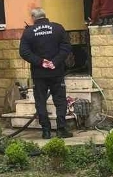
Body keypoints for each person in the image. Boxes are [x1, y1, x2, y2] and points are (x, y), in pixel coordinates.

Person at [19, 8, 73, 139]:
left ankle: (46, 131)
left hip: (39, 74)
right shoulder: (58, 28)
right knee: (60, 101)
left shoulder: (29, 32)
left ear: (33, 18)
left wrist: (40, 62)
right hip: (57, 72)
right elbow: (66, 47)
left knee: (41, 102)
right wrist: (55, 61)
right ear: (45, 16)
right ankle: (61, 129)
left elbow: (24, 52)